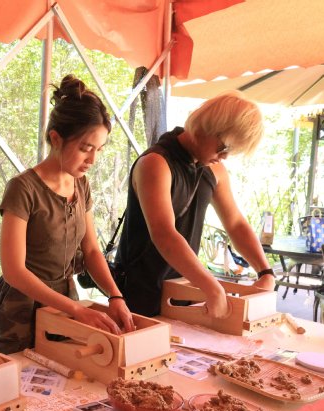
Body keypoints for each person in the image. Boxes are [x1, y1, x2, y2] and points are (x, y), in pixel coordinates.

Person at [0, 75, 136, 355]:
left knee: (67, 369)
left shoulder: (81, 185)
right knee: (20, 375)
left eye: (98, 150)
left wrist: (115, 296)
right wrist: (76, 309)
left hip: (64, 302)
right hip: (20, 308)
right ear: (56, 139)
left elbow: (91, 250)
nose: (92, 159)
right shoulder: (23, 188)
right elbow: (14, 271)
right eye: (85, 148)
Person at [114, 91, 276, 318]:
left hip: (183, 289)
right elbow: (164, 234)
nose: (225, 156)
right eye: (223, 147)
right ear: (205, 128)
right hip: (140, 294)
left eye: (231, 151)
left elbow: (235, 223)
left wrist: (265, 271)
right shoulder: (156, 163)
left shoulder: (214, 170)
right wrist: (212, 287)